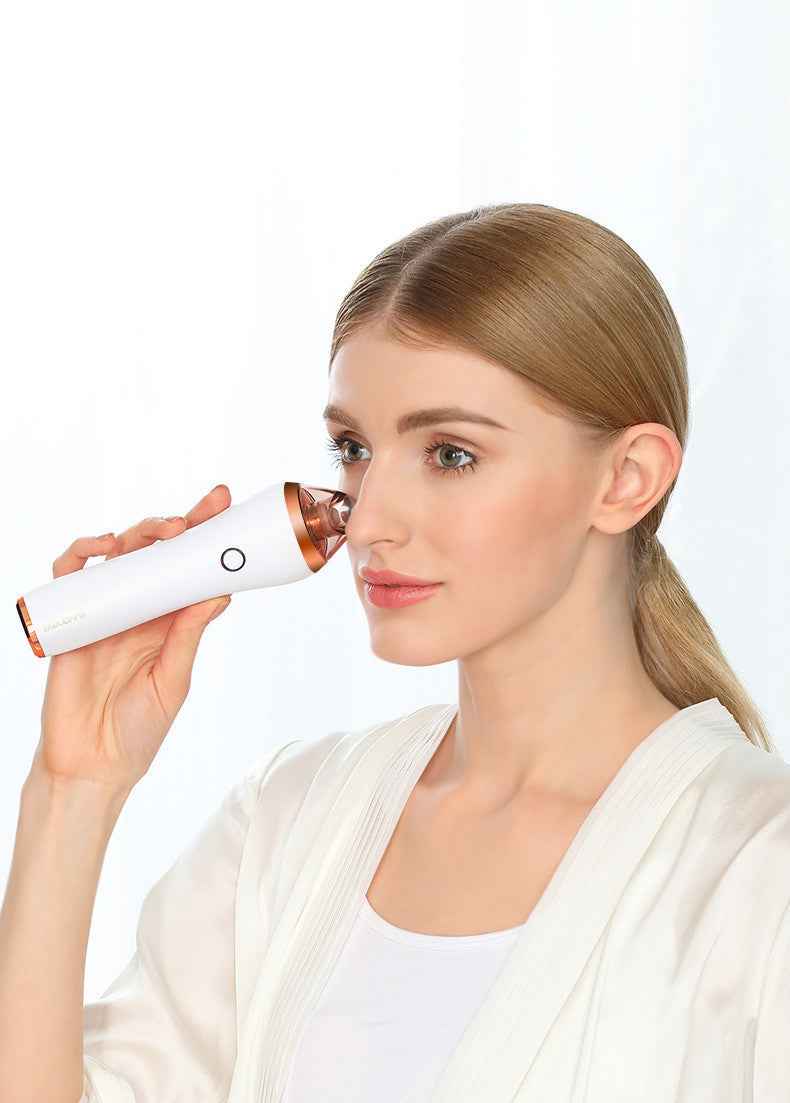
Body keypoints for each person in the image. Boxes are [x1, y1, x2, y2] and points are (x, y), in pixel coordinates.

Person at [1, 203, 788, 1103]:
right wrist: (72, 788)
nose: (368, 518)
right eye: (354, 449)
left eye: (450, 454)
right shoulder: (286, 826)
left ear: (627, 477)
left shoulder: (755, 870)